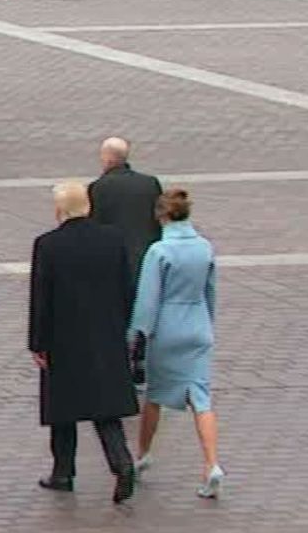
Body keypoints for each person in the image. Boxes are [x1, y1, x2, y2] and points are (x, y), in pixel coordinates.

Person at [29, 182, 138, 504]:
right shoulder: (113, 240)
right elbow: (127, 289)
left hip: (64, 338)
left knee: (63, 408)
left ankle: (63, 471)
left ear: (60, 209)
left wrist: (38, 342)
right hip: (105, 335)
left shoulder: (48, 245)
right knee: (106, 409)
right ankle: (122, 463)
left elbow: (41, 299)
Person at [129, 189, 225, 499]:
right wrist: (207, 324)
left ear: (162, 216)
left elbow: (148, 300)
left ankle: (143, 455)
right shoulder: (204, 248)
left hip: (168, 328)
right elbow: (210, 292)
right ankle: (211, 464)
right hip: (198, 324)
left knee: (154, 396)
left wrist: (136, 334)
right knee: (201, 397)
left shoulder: (159, 251)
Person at [88, 137, 163, 280]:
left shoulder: (99, 187)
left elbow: (95, 226)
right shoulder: (149, 183)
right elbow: (159, 218)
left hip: (116, 262)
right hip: (147, 257)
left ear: (108, 157)